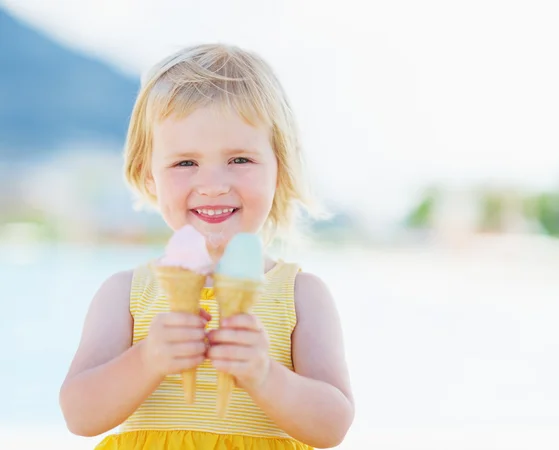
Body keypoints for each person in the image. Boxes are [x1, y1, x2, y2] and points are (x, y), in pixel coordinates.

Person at [59, 43, 354, 450]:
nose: (213, 184)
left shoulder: (302, 295)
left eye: (239, 160)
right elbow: (80, 415)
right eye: (185, 163)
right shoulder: (125, 293)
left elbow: (332, 426)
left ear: (279, 170)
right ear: (149, 177)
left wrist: (265, 374)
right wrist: (146, 360)